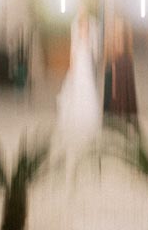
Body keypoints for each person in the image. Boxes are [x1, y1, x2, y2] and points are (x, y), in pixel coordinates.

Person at [56, 8, 102, 148]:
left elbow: (92, 48)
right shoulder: (76, 31)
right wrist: (72, 66)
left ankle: (88, 116)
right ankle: (77, 115)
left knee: (87, 84)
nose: (85, 26)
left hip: (86, 61)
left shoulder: (89, 32)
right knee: (78, 85)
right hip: (79, 60)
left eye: (86, 24)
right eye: (83, 24)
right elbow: (73, 49)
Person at [106, 18, 138, 121]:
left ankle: (121, 109)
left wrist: (114, 54)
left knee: (121, 83)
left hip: (121, 59)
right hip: (122, 59)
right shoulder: (122, 24)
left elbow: (119, 43)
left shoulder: (120, 24)